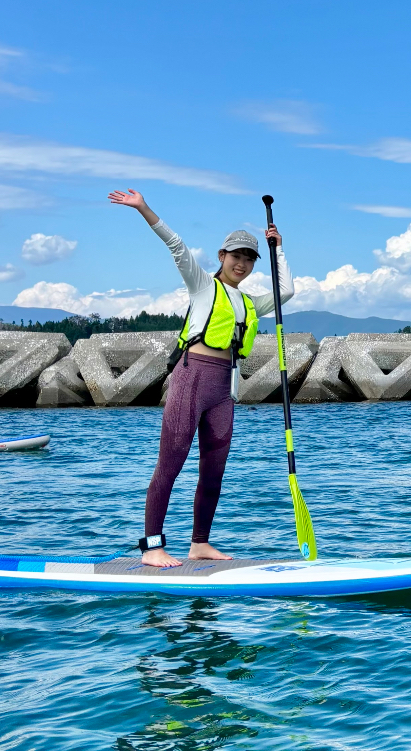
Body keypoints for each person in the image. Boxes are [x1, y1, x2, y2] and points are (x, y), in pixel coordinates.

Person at [108, 188, 293, 567]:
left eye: (249, 259)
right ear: (222, 257)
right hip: (192, 378)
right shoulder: (202, 285)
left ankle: (199, 544)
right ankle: (152, 548)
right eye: (235, 256)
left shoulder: (249, 302)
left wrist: (280, 248)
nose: (241, 264)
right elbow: (176, 245)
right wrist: (144, 208)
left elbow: (286, 290)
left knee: (214, 471)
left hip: (224, 388)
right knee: (170, 465)